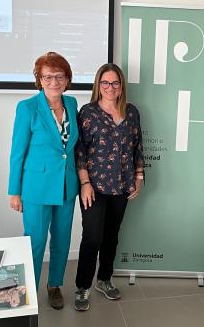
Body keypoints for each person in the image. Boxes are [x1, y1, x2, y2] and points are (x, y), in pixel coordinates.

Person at [8, 52, 79, 310]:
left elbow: (69, 149)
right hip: (36, 189)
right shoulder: (27, 108)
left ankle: (54, 286)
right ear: (39, 80)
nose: (53, 81)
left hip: (66, 187)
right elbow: (18, 153)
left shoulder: (72, 104)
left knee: (62, 240)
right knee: (35, 242)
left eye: (59, 76)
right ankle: (29, 292)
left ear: (67, 79)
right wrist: (14, 192)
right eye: (47, 76)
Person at [74, 63, 144, 311]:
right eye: (105, 83)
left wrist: (139, 177)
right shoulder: (88, 112)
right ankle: (82, 287)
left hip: (122, 186)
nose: (110, 87)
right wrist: (84, 183)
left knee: (111, 238)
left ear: (121, 85)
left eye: (115, 83)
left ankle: (104, 280)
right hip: (94, 186)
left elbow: (137, 146)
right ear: (98, 85)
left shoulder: (132, 112)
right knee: (92, 237)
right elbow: (80, 150)